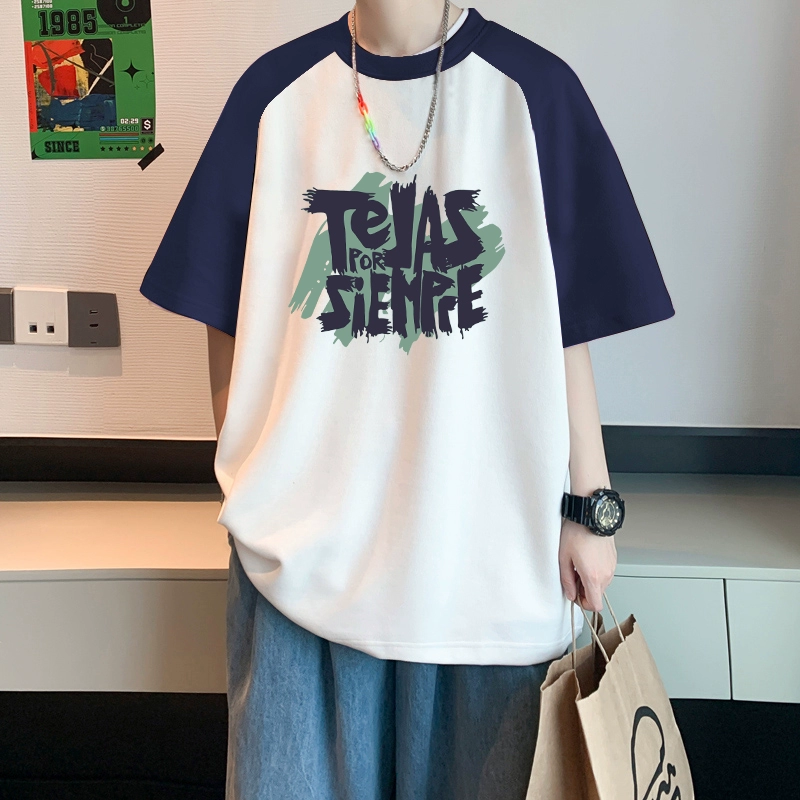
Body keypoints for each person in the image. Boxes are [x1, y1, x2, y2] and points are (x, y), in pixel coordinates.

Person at [140, 2, 675, 797]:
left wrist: (590, 506)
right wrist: (249, 471)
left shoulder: (534, 93)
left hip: (490, 566)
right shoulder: (275, 94)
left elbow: (568, 325)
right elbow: (223, 307)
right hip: (301, 570)